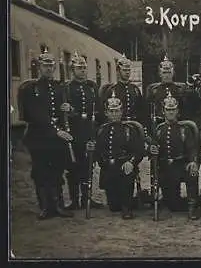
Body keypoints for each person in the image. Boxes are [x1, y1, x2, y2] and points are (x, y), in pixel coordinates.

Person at [17, 48, 74, 219]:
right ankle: (45, 207)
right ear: (39, 67)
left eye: (51, 65)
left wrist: (69, 109)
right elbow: (37, 115)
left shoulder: (59, 88)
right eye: (45, 65)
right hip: (39, 137)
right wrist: (56, 131)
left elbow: (66, 111)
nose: (49, 69)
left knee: (57, 171)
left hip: (56, 139)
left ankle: (58, 206)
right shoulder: (31, 88)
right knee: (41, 172)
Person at [87, 91, 145, 219]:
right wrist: (92, 149)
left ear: (122, 112)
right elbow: (99, 151)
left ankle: (128, 207)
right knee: (113, 207)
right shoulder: (102, 130)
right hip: (108, 169)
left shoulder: (129, 129)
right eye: (111, 111)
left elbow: (138, 150)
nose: (114, 114)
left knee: (126, 182)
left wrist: (131, 162)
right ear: (106, 113)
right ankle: (136, 200)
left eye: (117, 111)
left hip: (124, 166)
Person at [148, 93, 201, 220]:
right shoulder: (159, 129)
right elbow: (153, 149)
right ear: (163, 111)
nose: (170, 112)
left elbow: (192, 149)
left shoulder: (185, 129)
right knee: (173, 205)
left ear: (177, 111)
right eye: (168, 110)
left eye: (173, 110)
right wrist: (151, 149)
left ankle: (192, 206)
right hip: (165, 167)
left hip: (181, 165)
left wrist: (193, 161)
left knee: (192, 172)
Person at [63, 52, 104, 210]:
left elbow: (98, 108)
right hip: (73, 131)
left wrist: (98, 128)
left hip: (89, 129)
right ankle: (74, 200)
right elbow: (64, 110)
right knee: (73, 166)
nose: (83, 71)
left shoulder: (92, 87)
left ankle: (87, 198)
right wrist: (69, 110)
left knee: (88, 165)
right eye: (79, 68)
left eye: (84, 68)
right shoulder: (66, 87)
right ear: (72, 69)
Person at [99, 53, 145, 124]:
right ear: (118, 71)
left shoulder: (135, 89)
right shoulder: (111, 90)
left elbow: (141, 109)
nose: (127, 73)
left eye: (128, 70)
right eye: (124, 70)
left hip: (134, 124)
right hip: (118, 124)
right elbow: (105, 111)